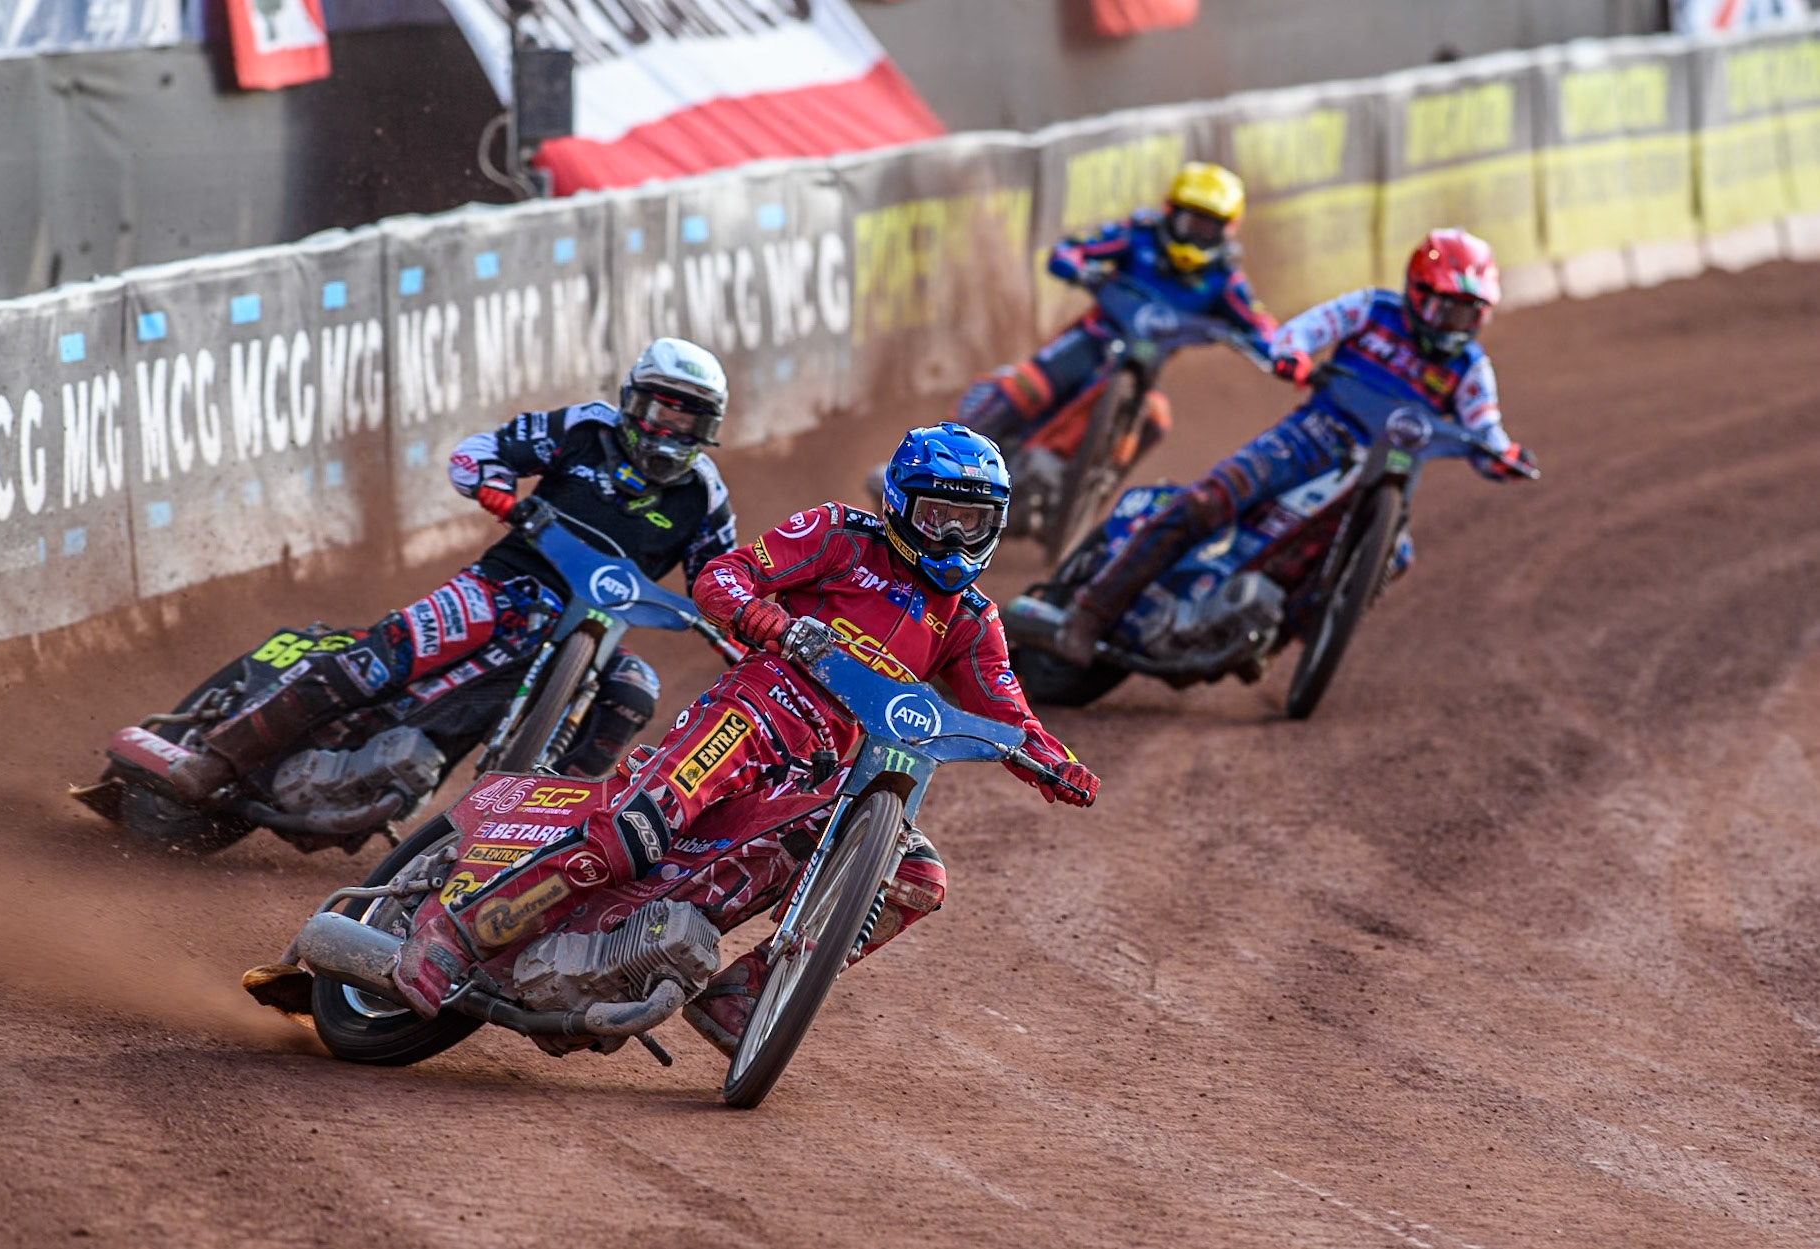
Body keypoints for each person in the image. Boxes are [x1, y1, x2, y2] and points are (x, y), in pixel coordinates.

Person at [389, 424, 1101, 1051]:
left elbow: (1011, 716)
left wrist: (1057, 763)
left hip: (822, 771)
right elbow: (725, 576)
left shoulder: (971, 620)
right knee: (635, 830)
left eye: (972, 522)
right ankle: (455, 931)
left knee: (916, 873)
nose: (953, 537)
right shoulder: (839, 534)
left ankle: (742, 995)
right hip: (753, 711)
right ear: (899, 504)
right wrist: (766, 620)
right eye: (938, 516)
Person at [168, 338, 738, 804]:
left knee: (635, 690)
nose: (669, 431)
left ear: (707, 427)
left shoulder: (705, 496)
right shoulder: (585, 429)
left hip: (595, 631)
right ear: (633, 402)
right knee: (378, 661)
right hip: (503, 587)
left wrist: (749, 623)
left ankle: (545, 828)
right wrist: (498, 492)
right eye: (661, 412)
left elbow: (722, 580)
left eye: (687, 420)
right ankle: (218, 758)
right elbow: (477, 453)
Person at [1052, 228, 1538, 666]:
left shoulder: (1471, 368)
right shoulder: (1373, 309)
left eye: (1469, 313)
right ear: (1417, 292)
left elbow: (1486, 428)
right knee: (1209, 499)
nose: (1454, 324)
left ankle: (1273, 641)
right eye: (1446, 309)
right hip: (1314, 435)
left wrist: (1506, 457)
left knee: (1397, 555)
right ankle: (1091, 612)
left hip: (1382, 474)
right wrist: (1293, 354)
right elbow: (1304, 330)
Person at [950, 161, 1278, 466]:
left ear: (1227, 229)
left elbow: (1261, 324)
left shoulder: (1225, 279)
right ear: (1170, 212)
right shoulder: (1139, 235)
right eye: (1190, 223)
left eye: (1207, 228)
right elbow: (1072, 248)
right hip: (1092, 340)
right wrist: (1077, 268)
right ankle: (948, 456)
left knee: (1156, 420)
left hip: (1145, 366)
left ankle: (1094, 490)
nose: (1196, 235)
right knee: (1026, 389)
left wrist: (1280, 352)